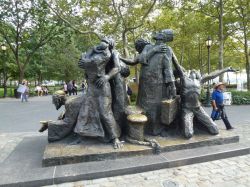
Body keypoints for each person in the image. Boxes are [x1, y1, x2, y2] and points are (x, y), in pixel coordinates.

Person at [75, 38, 123, 149]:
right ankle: (83, 135)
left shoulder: (113, 53)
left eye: (106, 41)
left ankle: (115, 137)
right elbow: (83, 61)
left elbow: (117, 68)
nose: (103, 42)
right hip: (91, 86)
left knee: (105, 112)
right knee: (85, 111)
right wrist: (84, 62)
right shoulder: (92, 51)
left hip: (102, 86)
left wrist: (107, 77)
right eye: (103, 40)